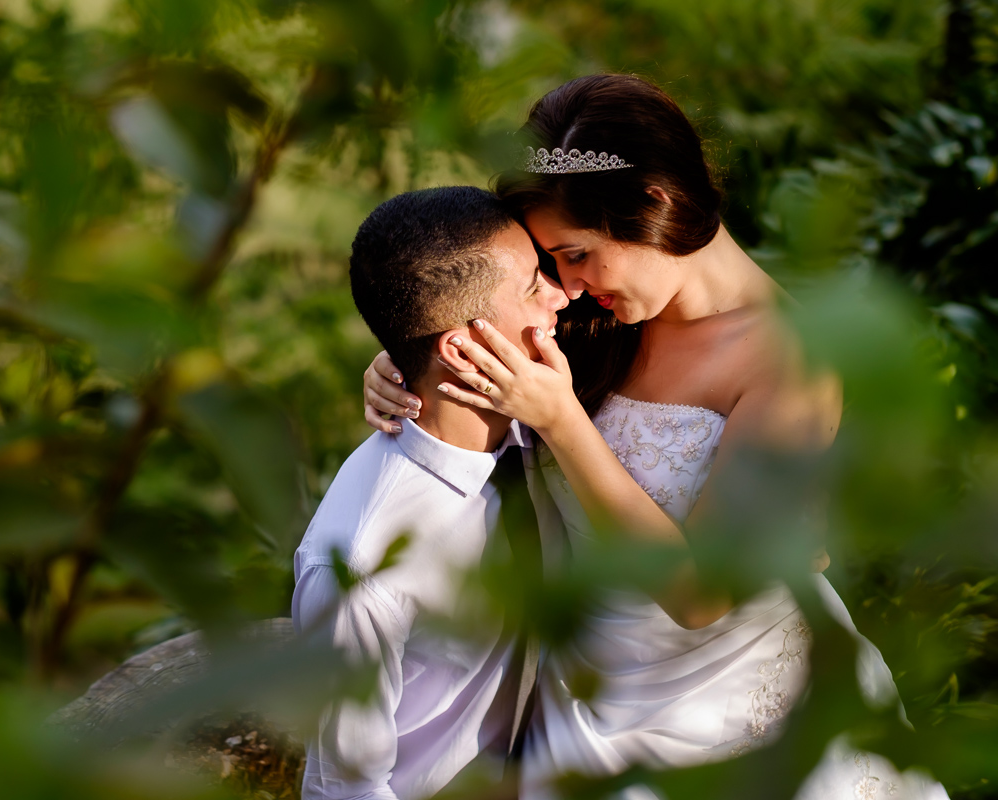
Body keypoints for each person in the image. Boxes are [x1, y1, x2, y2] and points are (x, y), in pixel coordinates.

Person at [361, 75, 949, 799]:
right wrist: (401, 361)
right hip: (581, 698)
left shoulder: (790, 360)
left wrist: (562, 420)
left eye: (577, 253)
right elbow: (458, 323)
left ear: (653, 203)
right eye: (551, 264)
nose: (568, 286)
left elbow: (704, 596)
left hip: (730, 713)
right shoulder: (593, 320)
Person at [294, 185, 569, 800]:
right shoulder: (359, 563)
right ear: (463, 348)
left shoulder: (552, 427)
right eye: (534, 285)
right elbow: (350, 787)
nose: (563, 293)